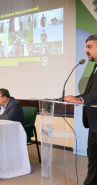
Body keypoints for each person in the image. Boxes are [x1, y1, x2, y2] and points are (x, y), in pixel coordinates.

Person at [64, 34, 97, 185]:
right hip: (94, 123)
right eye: (86, 47)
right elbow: (91, 94)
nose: (85, 50)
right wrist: (74, 97)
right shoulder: (95, 66)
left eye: (89, 47)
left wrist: (81, 100)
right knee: (93, 158)